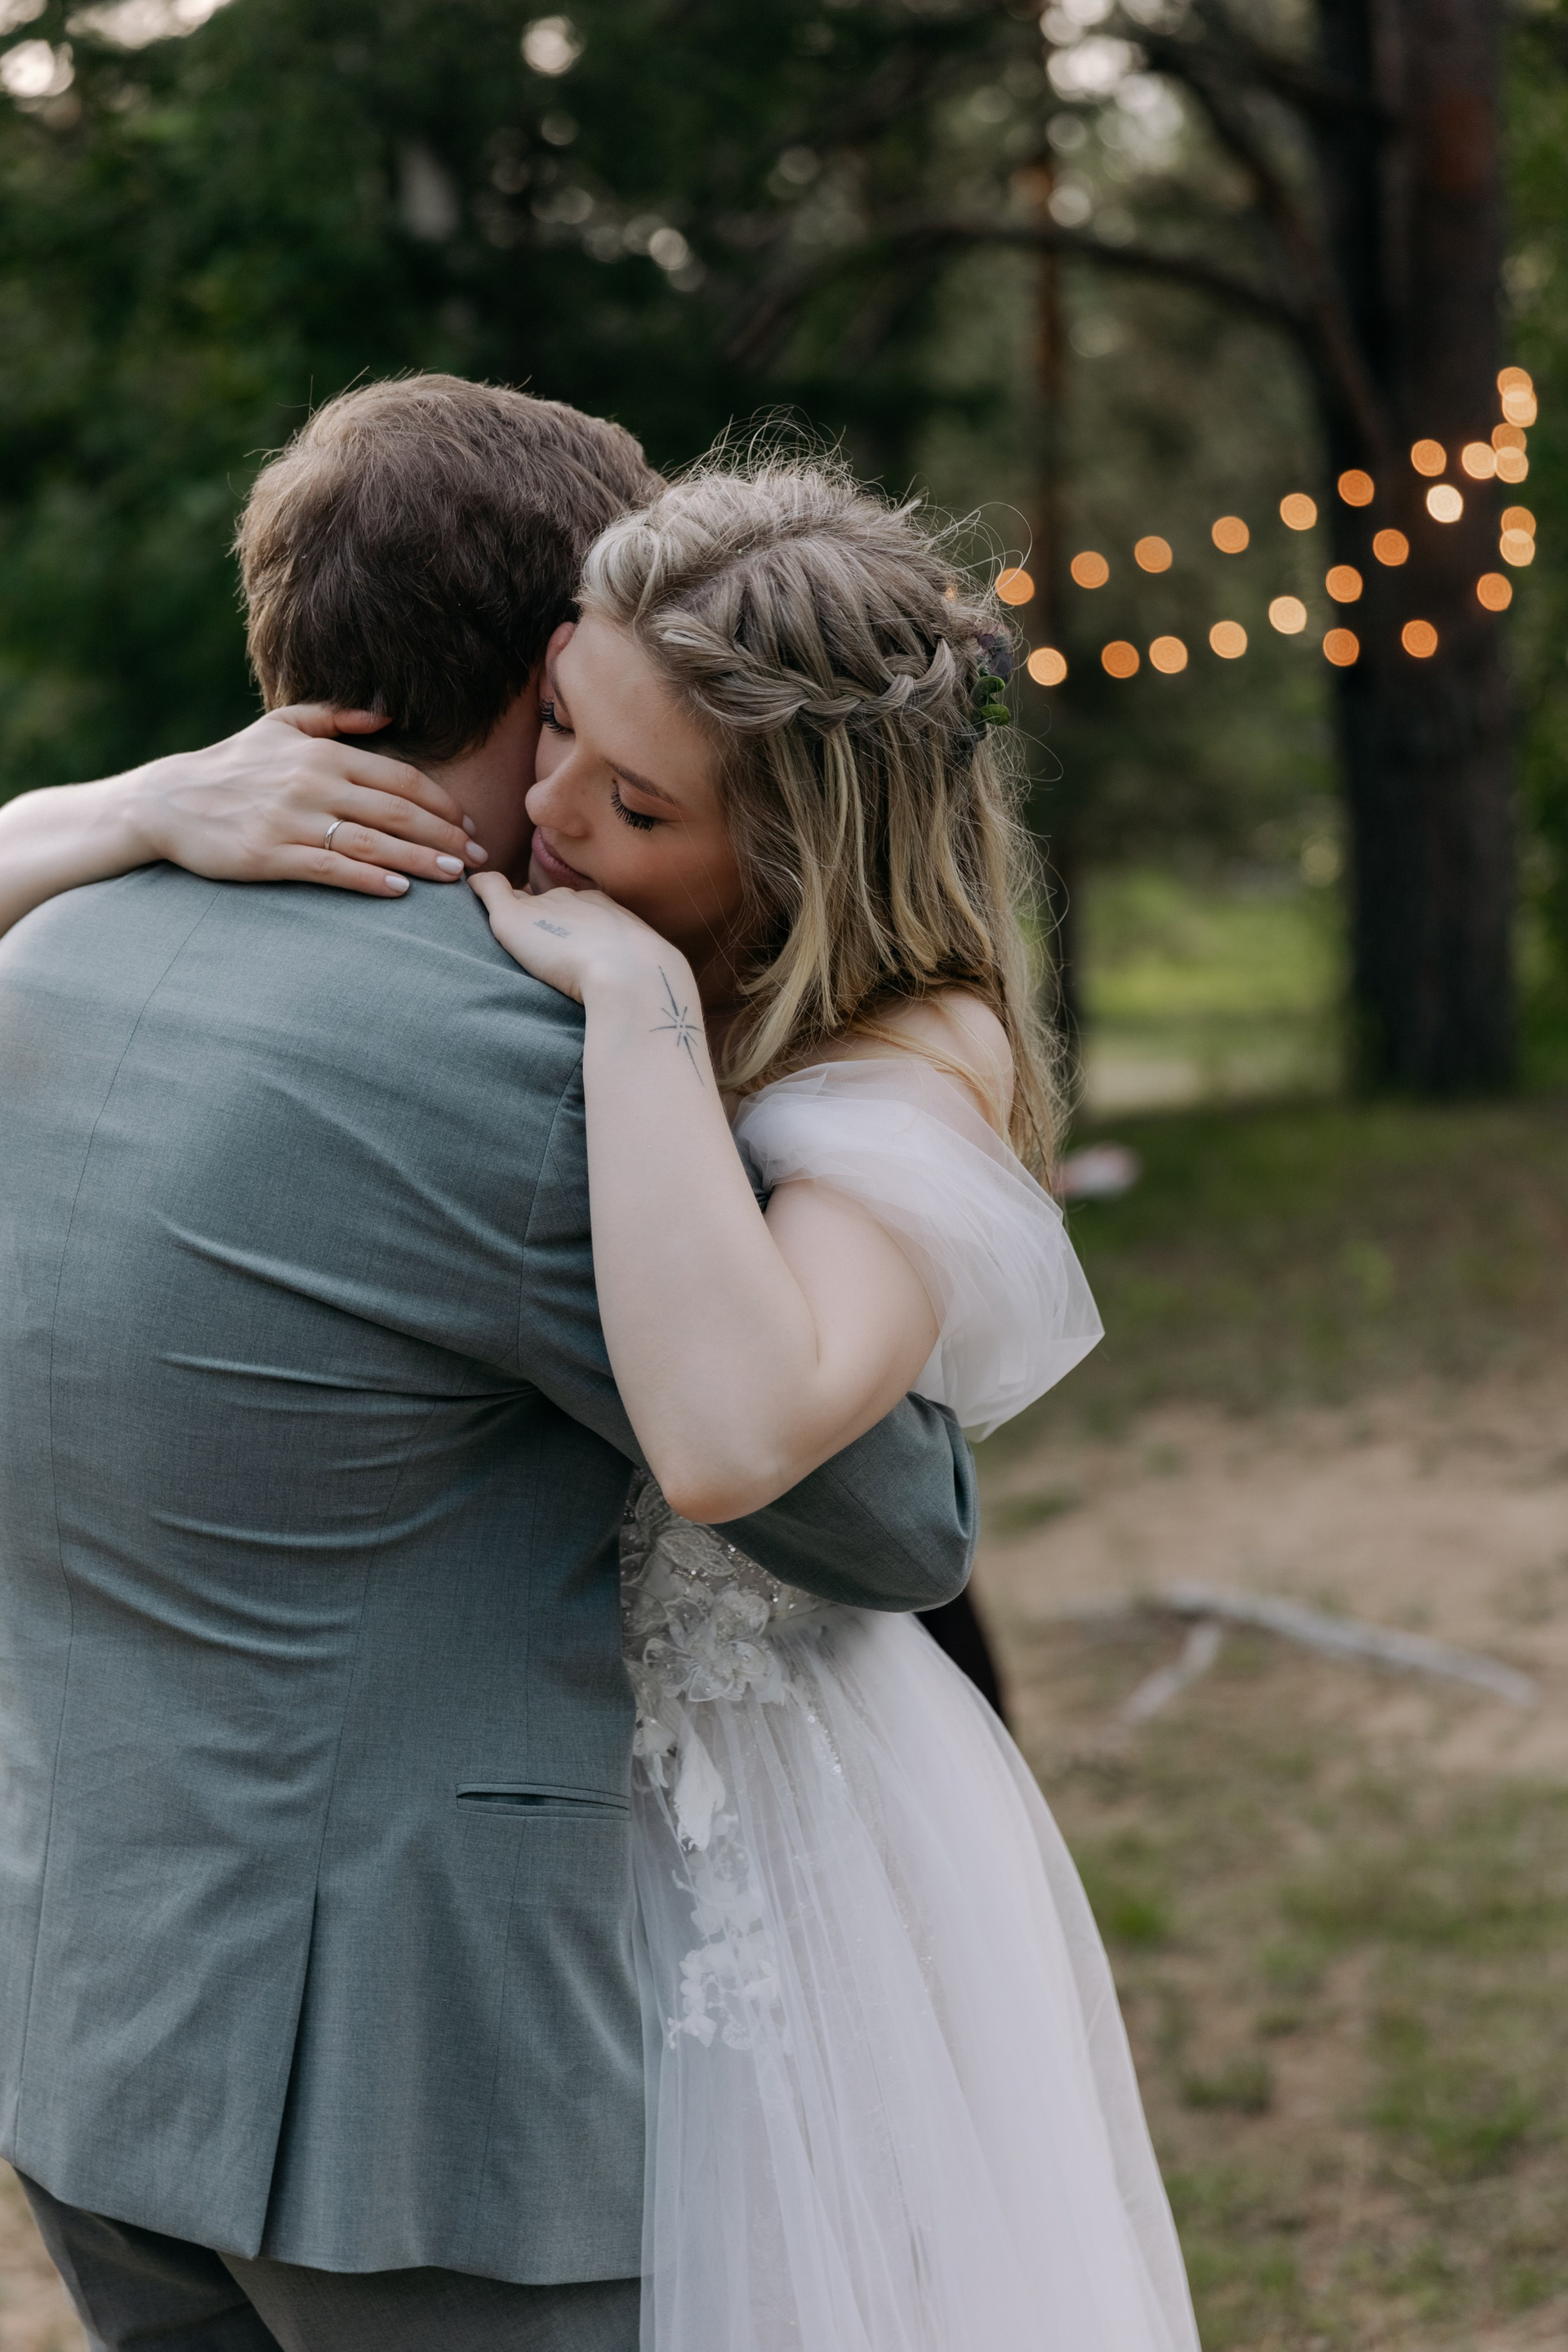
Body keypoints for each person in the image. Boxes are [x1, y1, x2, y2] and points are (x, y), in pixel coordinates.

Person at [2, 416, 1200, 2349]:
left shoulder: (58, 946)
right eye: (564, 728)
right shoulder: (517, 1063)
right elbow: (890, 1523)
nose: (564, 808)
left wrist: (108, 807)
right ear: (538, 661)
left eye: (630, 783)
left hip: (85, 2021)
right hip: (398, 2103)